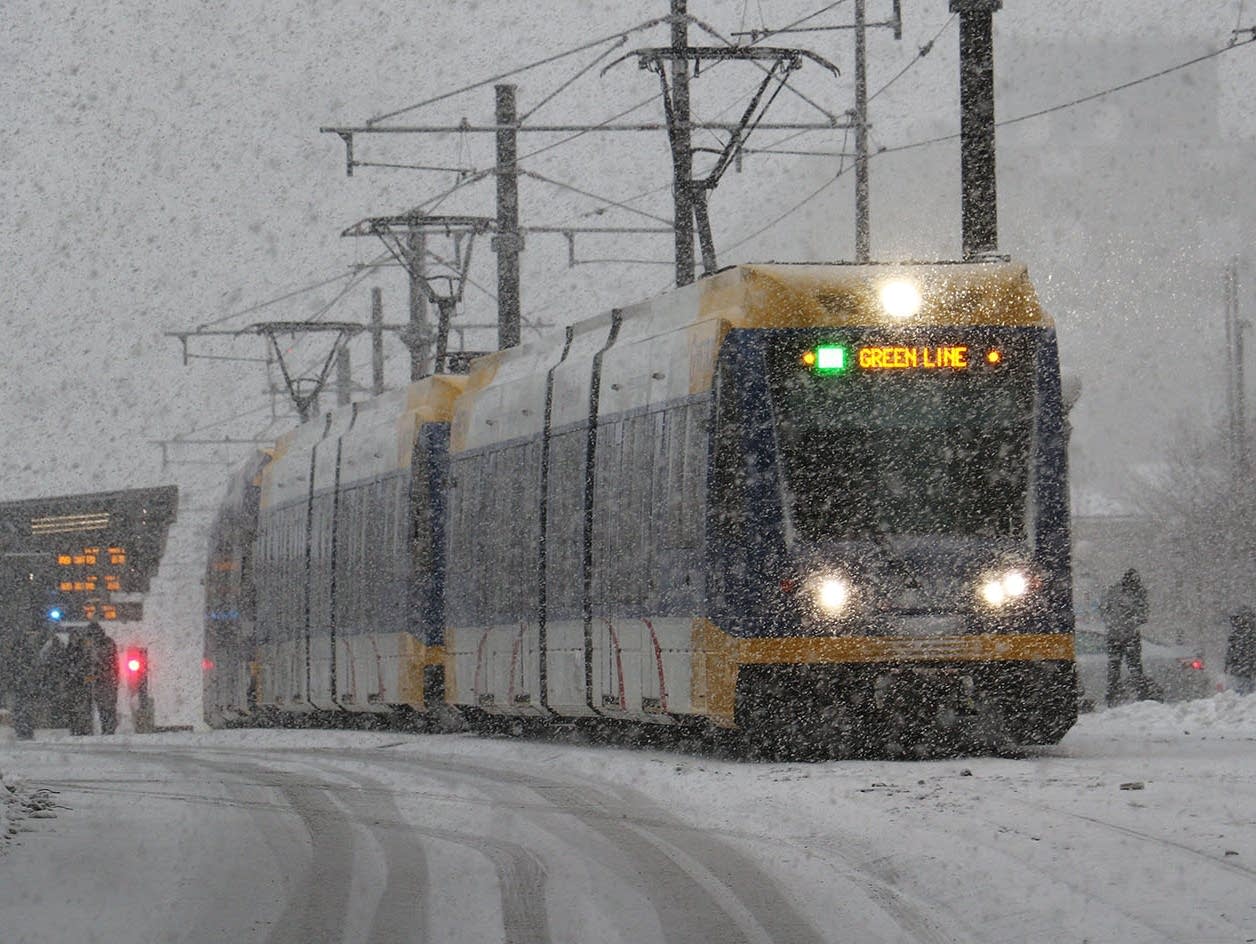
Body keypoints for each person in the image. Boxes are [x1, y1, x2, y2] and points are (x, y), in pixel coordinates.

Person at [1099, 568, 1150, 705]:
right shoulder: (1135, 593)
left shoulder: (1116, 591)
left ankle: (1114, 696)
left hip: (1119, 635)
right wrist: (1128, 621)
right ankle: (1137, 696)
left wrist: (1115, 622)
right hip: (1125, 635)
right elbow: (1143, 615)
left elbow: (1103, 610)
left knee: (1117, 667)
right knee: (1130, 667)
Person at [84, 622, 119, 734]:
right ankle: (107, 727)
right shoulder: (95, 644)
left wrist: (97, 672)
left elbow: (108, 661)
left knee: (107, 706)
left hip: (106, 679)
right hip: (103, 680)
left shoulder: (106, 644)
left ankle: (109, 728)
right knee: (103, 706)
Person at [1226, 605, 1256, 696]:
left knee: (1242, 691)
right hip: (1246, 669)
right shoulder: (1241, 634)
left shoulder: (1239, 635)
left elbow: (1231, 651)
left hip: (1244, 668)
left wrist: (1228, 663)